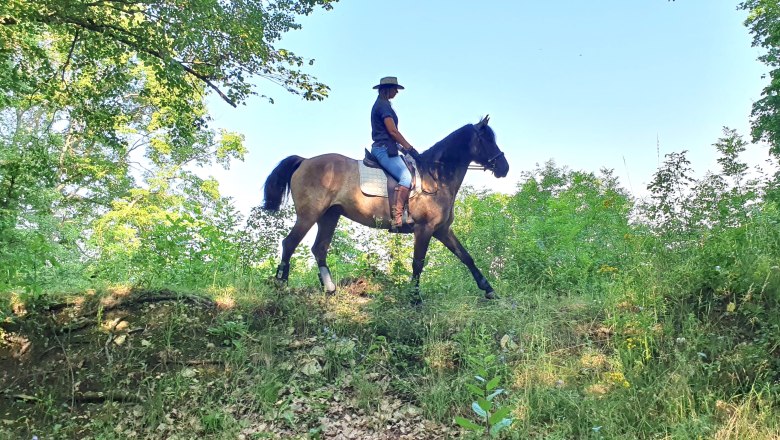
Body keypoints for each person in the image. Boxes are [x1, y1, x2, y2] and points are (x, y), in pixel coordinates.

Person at [370, 76, 415, 231]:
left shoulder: (384, 104)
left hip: (388, 147)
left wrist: (402, 149)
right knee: (406, 177)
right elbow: (393, 132)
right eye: (395, 88)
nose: (396, 91)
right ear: (387, 89)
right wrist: (410, 148)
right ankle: (397, 217)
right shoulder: (383, 106)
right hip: (383, 149)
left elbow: (391, 136)